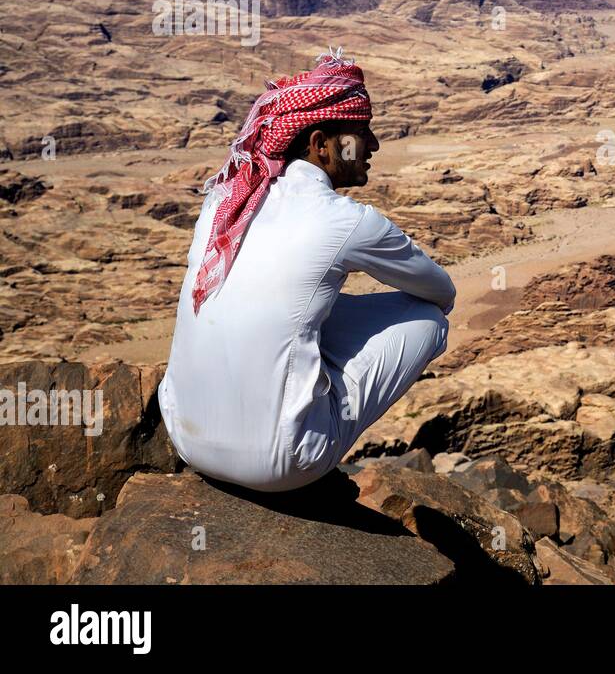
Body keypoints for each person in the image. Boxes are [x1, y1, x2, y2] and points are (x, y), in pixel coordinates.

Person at [158, 48, 456, 492]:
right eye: (361, 133)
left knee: (303, 306)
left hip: (184, 436)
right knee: (429, 322)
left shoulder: (225, 201)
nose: (373, 145)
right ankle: (309, 424)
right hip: (280, 465)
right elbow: (440, 292)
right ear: (320, 145)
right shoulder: (346, 220)